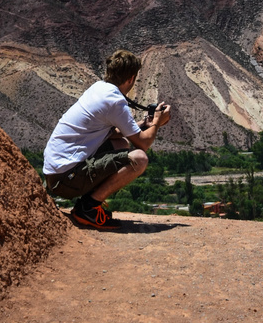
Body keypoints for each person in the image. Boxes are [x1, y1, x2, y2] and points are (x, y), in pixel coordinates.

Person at [43, 49, 170, 230]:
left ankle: (88, 203)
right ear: (131, 79)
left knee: (121, 144)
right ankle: (88, 209)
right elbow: (143, 143)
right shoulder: (115, 101)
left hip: (55, 175)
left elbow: (111, 133)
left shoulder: (99, 88)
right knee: (139, 159)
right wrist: (157, 123)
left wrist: (143, 123)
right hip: (66, 181)